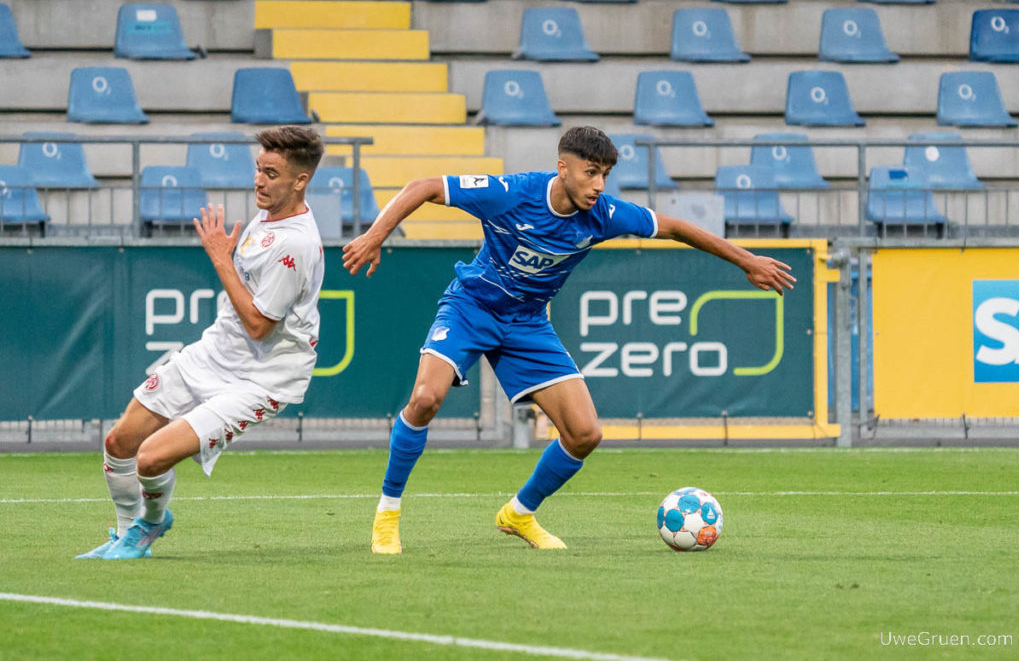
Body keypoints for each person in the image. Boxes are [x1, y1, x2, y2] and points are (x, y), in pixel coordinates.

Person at [342, 126, 796, 554]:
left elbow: (676, 227)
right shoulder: (511, 193)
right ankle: (388, 514)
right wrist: (374, 236)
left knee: (584, 434)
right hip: (471, 308)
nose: (599, 185)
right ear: (564, 168)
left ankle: (519, 514)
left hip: (527, 325)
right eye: (591, 172)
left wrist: (746, 260)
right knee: (425, 397)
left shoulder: (605, 215)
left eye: (606, 175)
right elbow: (423, 186)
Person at [76, 125, 326, 560]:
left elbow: (258, 326)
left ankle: (150, 525)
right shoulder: (268, 214)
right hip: (214, 353)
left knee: (150, 459)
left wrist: (219, 258)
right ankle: (124, 534)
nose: (258, 181)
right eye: (258, 170)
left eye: (270, 173)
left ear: (300, 180)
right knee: (119, 443)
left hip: (261, 378)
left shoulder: (296, 246)